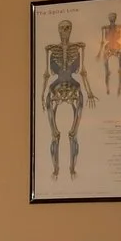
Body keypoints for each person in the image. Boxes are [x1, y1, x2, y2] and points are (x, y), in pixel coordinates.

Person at [42, 18, 93, 179]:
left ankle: (72, 170)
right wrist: (42, 96)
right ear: (59, 30)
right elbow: (46, 74)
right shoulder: (51, 49)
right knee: (55, 135)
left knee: (73, 134)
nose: (65, 31)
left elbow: (83, 72)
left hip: (73, 88)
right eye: (63, 28)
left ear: (71, 30)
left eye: (68, 28)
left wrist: (89, 92)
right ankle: (55, 170)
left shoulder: (78, 48)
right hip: (55, 90)